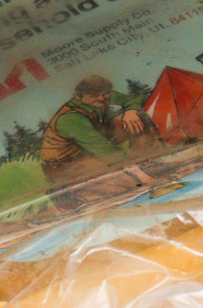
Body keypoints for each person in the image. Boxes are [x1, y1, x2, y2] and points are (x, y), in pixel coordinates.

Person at [40, 75, 151, 209]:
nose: (102, 98)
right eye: (94, 95)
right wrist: (137, 173)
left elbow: (131, 100)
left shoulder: (103, 96)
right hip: (66, 161)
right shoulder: (70, 118)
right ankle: (68, 193)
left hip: (93, 142)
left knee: (136, 118)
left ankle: (147, 160)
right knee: (123, 188)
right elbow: (104, 150)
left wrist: (131, 111)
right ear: (79, 96)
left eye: (105, 93)